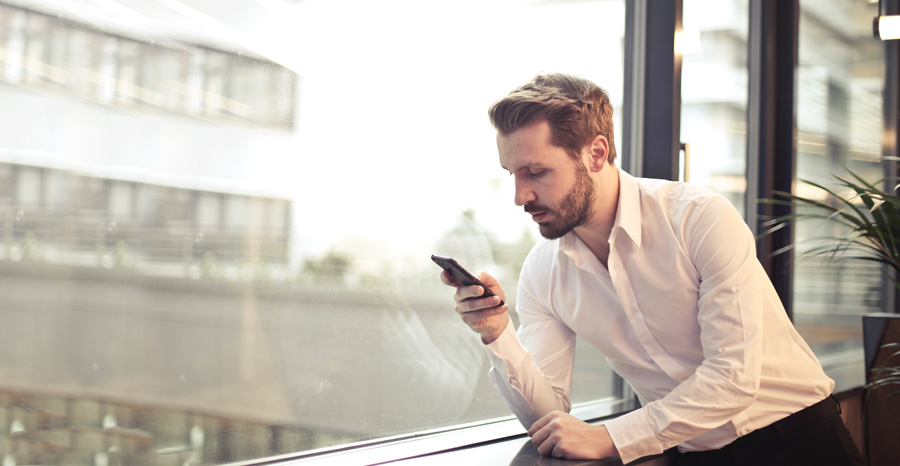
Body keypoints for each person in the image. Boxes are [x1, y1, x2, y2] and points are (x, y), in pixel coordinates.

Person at [440, 73, 864, 465]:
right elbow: (550, 420)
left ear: (596, 153)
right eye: (513, 173)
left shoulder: (699, 218)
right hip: (689, 454)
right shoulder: (542, 273)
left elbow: (733, 378)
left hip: (799, 441)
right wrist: (498, 335)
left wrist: (612, 436)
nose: (519, 196)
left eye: (536, 171)